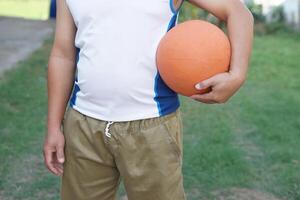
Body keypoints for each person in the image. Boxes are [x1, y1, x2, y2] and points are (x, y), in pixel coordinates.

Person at [43, 0, 254, 199]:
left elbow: (237, 12)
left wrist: (237, 75)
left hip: (152, 126)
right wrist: (53, 127)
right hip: (83, 126)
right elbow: (63, 54)